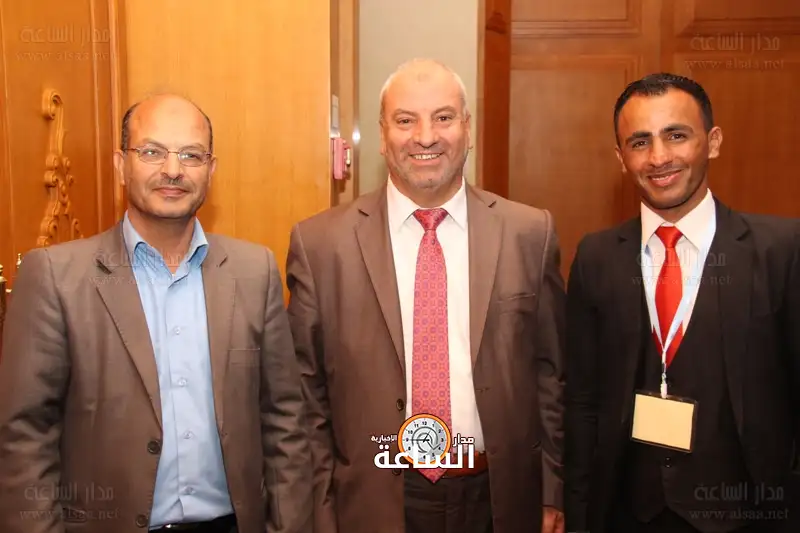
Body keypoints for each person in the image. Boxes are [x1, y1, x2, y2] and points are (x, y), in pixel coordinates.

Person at [0, 94, 314, 533]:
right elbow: (24, 436)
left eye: (191, 155)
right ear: (120, 165)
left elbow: (285, 421)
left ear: (211, 170)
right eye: (151, 152)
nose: (172, 170)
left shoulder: (253, 271)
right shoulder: (56, 277)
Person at [286, 58, 566, 533]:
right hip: (373, 503)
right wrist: (320, 511)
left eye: (443, 117)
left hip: (498, 498)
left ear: (467, 128)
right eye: (405, 120)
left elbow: (551, 377)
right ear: (382, 135)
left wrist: (552, 491)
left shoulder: (528, 233)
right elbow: (304, 398)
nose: (426, 136)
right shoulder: (320, 245)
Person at [564, 72, 800, 533]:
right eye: (640, 142)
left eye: (676, 135)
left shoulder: (782, 251)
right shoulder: (596, 256)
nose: (659, 157)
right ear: (620, 157)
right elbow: (581, 403)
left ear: (712, 142)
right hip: (627, 516)